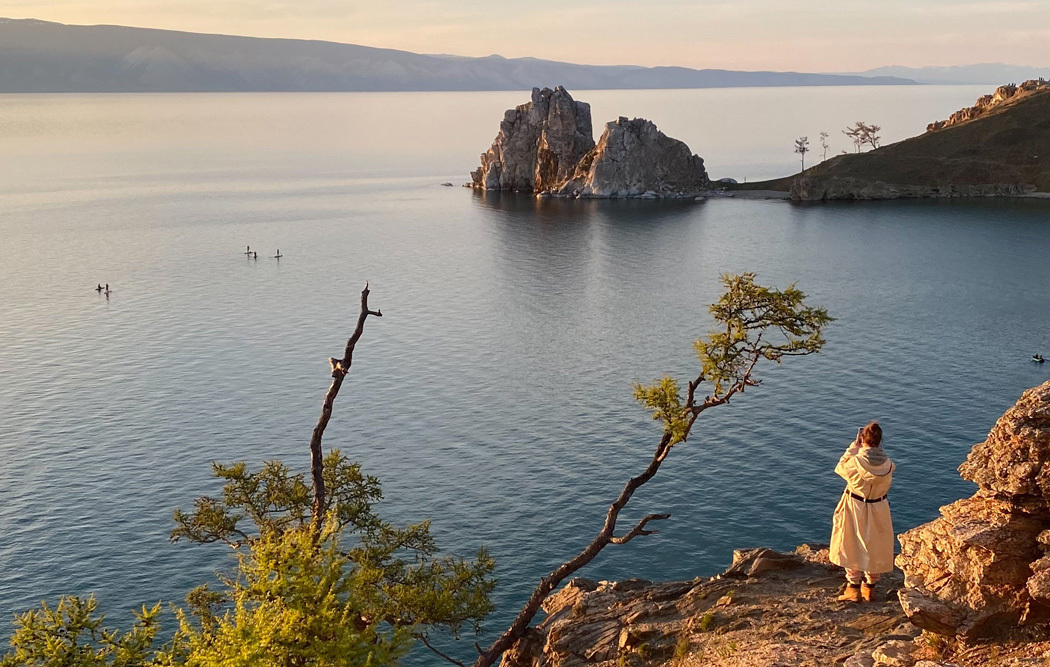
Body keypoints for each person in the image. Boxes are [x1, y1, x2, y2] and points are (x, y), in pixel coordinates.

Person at [830, 421, 895, 603]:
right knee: (876, 544)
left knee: (851, 543)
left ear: (862, 439)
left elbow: (840, 468)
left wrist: (852, 448)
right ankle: (870, 588)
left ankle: (853, 588)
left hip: (855, 504)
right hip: (879, 506)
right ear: (880, 440)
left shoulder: (855, 462)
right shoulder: (889, 464)